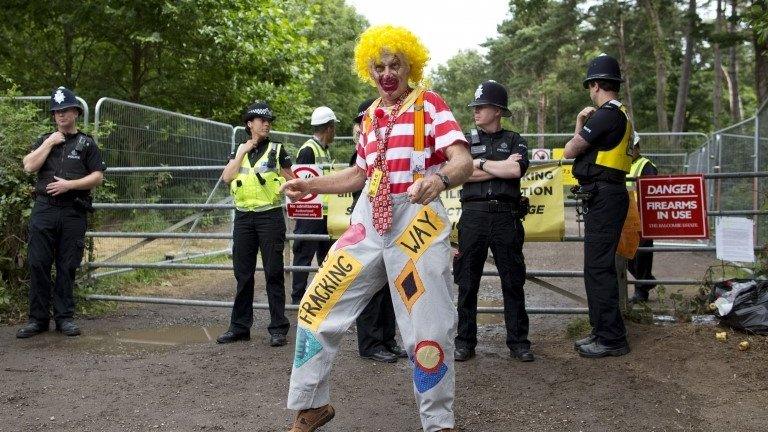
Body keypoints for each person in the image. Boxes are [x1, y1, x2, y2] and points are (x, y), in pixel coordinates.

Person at [281, 25, 472, 432]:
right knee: (317, 305)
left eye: (395, 64)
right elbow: (359, 175)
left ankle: (438, 423)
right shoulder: (368, 118)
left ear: (409, 66)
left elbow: (462, 161)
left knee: (429, 325)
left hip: (417, 219)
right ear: (369, 70)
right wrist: (308, 184)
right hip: (368, 220)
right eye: (378, 66)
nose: (387, 73)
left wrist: (439, 180)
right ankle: (312, 405)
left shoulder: (431, 104)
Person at [453, 80, 533, 363]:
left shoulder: (515, 140)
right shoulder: (463, 140)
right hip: (473, 216)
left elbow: (515, 170)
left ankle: (519, 342)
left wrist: (480, 164)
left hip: (505, 217)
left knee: (512, 281)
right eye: (475, 107)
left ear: (497, 110)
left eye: (481, 106)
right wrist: (494, 167)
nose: (475, 111)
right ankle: (464, 341)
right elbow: (460, 174)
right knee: (467, 282)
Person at [17, 86, 105, 338]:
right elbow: (28, 166)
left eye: (65, 110)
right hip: (44, 209)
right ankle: (38, 319)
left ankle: (64, 318)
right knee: (38, 263)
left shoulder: (86, 143)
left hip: (73, 211)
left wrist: (70, 185)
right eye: (56, 112)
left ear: (76, 112)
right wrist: (49, 142)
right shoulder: (46, 140)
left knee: (67, 265)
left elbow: (97, 177)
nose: (60, 116)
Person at [564, 54, 633, 358]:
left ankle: (612, 338)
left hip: (605, 195)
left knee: (598, 268)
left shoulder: (607, 114)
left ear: (594, 85)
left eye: (590, 86)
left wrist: (581, 121)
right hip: (606, 194)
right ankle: (601, 331)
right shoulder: (621, 115)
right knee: (597, 267)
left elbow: (570, 150)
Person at [217, 100, 294, 347]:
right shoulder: (238, 150)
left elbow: (292, 182)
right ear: (250, 124)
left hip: (269, 216)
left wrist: (290, 188)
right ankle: (239, 327)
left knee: (273, 273)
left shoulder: (277, 149)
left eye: (269, 120)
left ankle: (278, 328)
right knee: (243, 275)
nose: (267, 123)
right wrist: (241, 152)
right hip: (243, 218)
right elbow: (227, 178)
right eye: (262, 120)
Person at [349, 98, 407, 364]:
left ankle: (387, 339)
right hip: (367, 226)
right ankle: (370, 342)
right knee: (369, 287)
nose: (366, 126)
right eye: (362, 121)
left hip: (388, 224)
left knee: (388, 285)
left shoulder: (384, 147)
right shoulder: (362, 153)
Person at [290, 106, 338, 305]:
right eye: (333, 127)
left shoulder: (323, 151)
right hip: (311, 213)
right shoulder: (309, 150)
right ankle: (297, 299)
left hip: (324, 213)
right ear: (328, 128)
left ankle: (322, 297)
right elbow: (301, 183)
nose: (334, 131)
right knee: (304, 254)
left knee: (326, 257)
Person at [625, 135, 658, 302]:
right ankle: (646, 281)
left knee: (642, 256)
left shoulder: (645, 165)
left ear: (637, 148)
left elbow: (651, 189)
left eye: (632, 147)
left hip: (642, 217)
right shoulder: (622, 164)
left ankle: (641, 291)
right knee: (626, 256)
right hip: (625, 217)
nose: (630, 150)